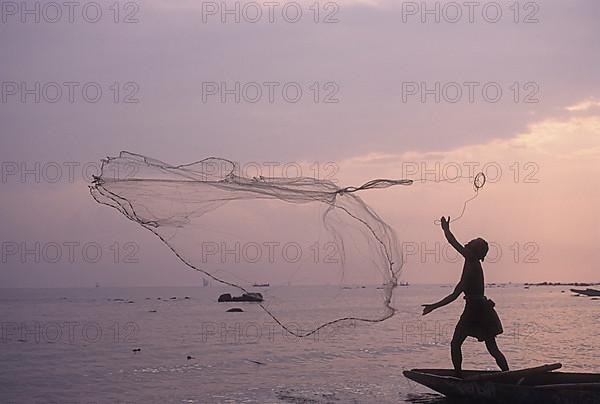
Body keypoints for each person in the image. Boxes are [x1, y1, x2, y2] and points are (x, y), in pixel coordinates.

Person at [422, 216, 509, 375]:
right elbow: (454, 295)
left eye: (472, 244)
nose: (468, 245)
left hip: (477, 311)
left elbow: (453, 243)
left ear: (474, 251)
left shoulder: (471, 260)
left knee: (458, 344)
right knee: (489, 348)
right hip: (479, 310)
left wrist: (446, 230)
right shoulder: (470, 265)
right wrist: (433, 306)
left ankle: (459, 375)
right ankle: (506, 374)